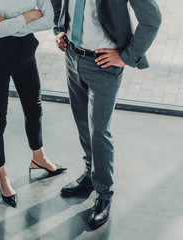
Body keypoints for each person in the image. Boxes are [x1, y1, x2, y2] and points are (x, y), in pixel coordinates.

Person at [51, 0, 161, 226]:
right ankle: (91, 173)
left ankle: (104, 194)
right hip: (72, 56)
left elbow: (152, 18)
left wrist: (126, 56)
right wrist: (60, 28)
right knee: (81, 121)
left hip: (104, 64)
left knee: (99, 130)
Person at [0, 0, 67, 208]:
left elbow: (48, 20)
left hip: (27, 54)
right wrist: (28, 16)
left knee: (34, 108)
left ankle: (39, 158)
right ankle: (1, 175)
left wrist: (8, 23)